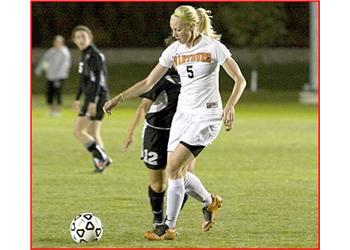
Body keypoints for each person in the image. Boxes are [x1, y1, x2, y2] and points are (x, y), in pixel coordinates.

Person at [104, 5, 246, 240]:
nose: (175, 34)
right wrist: (119, 98)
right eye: (173, 30)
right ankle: (210, 202)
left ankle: (167, 228)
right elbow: (149, 82)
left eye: (179, 30)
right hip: (183, 117)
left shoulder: (213, 47)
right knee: (177, 172)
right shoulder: (174, 51)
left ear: (192, 26)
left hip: (207, 117)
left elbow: (239, 79)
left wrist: (230, 105)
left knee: (172, 170)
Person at [123, 39, 195, 228]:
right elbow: (143, 107)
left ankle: (169, 223)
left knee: (184, 178)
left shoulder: (194, 78)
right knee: (158, 184)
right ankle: (158, 218)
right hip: (157, 135)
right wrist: (130, 133)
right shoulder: (161, 79)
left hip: (184, 135)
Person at [71, 25, 112, 173]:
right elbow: (84, 80)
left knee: (78, 131)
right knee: (93, 133)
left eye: (84, 36)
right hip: (95, 97)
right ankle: (100, 164)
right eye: (78, 37)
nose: (81, 39)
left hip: (96, 98)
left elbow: (97, 81)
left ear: (90, 38)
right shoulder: (85, 54)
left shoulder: (94, 55)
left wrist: (93, 102)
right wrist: (77, 98)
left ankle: (102, 157)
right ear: (74, 40)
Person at [35, 35, 71, 117]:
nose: (56, 43)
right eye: (55, 42)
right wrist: (39, 70)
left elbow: (65, 65)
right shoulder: (51, 51)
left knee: (58, 93)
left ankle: (57, 111)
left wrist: (57, 74)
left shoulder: (64, 52)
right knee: (49, 94)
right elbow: (44, 61)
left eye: (58, 42)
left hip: (60, 76)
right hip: (50, 76)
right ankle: (52, 111)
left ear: (61, 43)